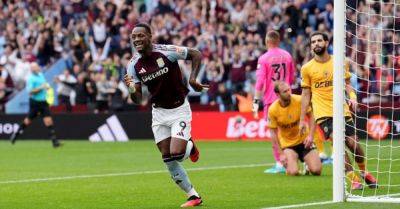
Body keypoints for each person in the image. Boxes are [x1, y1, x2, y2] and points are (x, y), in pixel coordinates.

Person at [124, 23, 207, 208]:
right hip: (158, 113)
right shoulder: (133, 65)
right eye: (133, 36)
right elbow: (138, 99)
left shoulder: (166, 51)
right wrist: (130, 88)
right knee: (167, 158)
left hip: (179, 110)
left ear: (150, 36)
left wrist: (193, 79)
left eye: (140, 35)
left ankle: (190, 146)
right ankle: (193, 196)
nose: (137, 39)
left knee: (177, 153)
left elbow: (195, 53)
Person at [299, 32, 378, 190]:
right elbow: (306, 95)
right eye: (313, 42)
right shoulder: (307, 68)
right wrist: (302, 119)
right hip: (323, 114)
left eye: (319, 40)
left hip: (342, 110)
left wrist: (353, 97)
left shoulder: (340, 62)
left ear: (326, 43)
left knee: (354, 144)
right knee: (338, 142)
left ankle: (363, 172)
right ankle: (353, 179)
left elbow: (347, 84)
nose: (316, 44)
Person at [252, 30, 295, 174]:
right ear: (278, 40)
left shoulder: (263, 59)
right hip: (288, 98)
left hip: (271, 101)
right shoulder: (287, 56)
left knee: (274, 133)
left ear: (267, 41)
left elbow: (260, 82)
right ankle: (293, 159)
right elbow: (292, 77)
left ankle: (279, 162)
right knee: (289, 130)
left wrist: (256, 100)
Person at [267, 81, 322, 176]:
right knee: (293, 172)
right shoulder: (273, 110)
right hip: (288, 145)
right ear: (277, 94)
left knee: (316, 171)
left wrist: (310, 136)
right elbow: (273, 133)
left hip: (304, 141)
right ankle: (294, 164)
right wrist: (281, 154)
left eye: (289, 89)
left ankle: (307, 165)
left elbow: (312, 116)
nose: (289, 93)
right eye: (285, 91)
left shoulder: (299, 100)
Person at [10, 62, 61, 148]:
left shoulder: (41, 75)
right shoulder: (31, 79)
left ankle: (54, 141)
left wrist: (53, 82)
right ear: (32, 69)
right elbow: (30, 91)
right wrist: (41, 88)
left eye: (37, 66)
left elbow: (45, 86)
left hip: (43, 101)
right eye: (36, 67)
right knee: (28, 120)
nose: (38, 68)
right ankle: (16, 134)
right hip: (35, 102)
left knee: (48, 120)